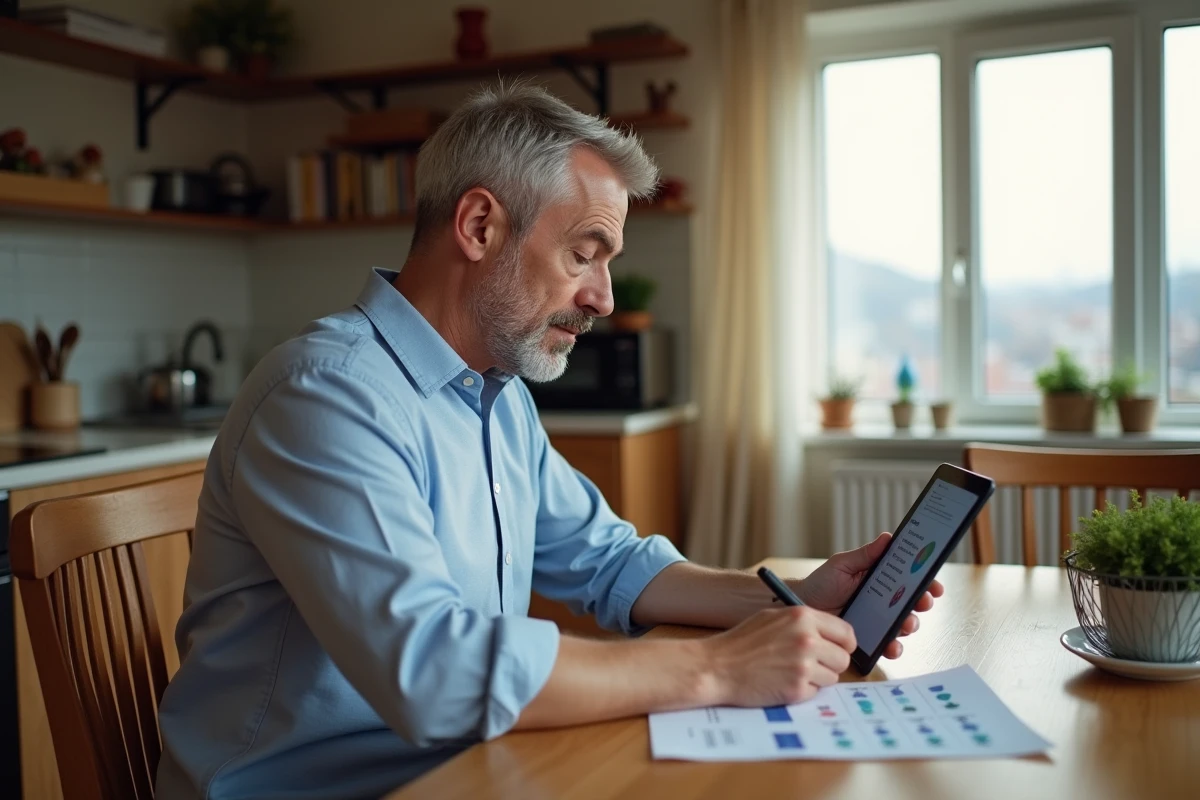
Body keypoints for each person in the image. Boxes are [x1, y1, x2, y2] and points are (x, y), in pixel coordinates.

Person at [155, 83, 943, 800]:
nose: (602, 297)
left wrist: (790, 599)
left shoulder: (495, 397)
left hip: (462, 772)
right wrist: (716, 667)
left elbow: (611, 563)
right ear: (479, 226)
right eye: (583, 254)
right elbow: (433, 670)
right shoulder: (325, 394)